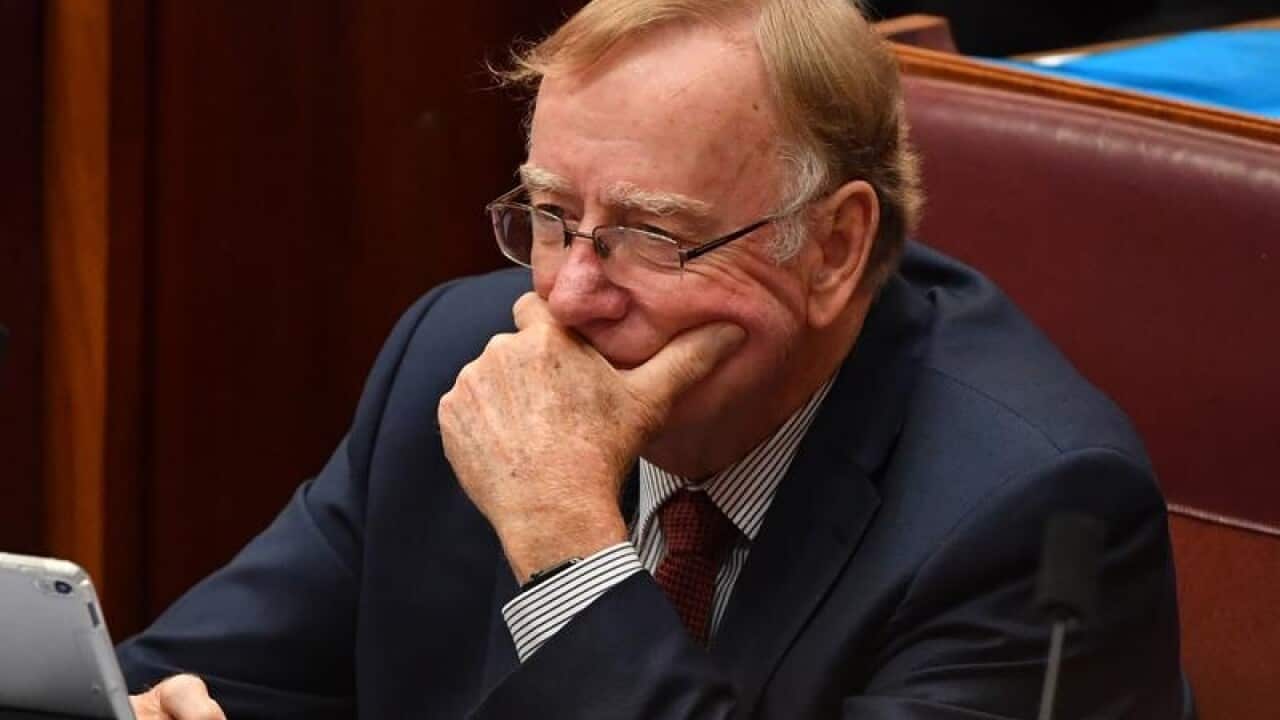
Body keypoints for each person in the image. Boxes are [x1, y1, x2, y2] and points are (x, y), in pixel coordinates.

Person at [119, 0, 1187, 717]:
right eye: (547, 215)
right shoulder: (458, 360)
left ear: (831, 247)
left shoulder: (1035, 513)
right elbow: (167, 681)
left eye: (650, 233)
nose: (568, 295)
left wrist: (567, 549)